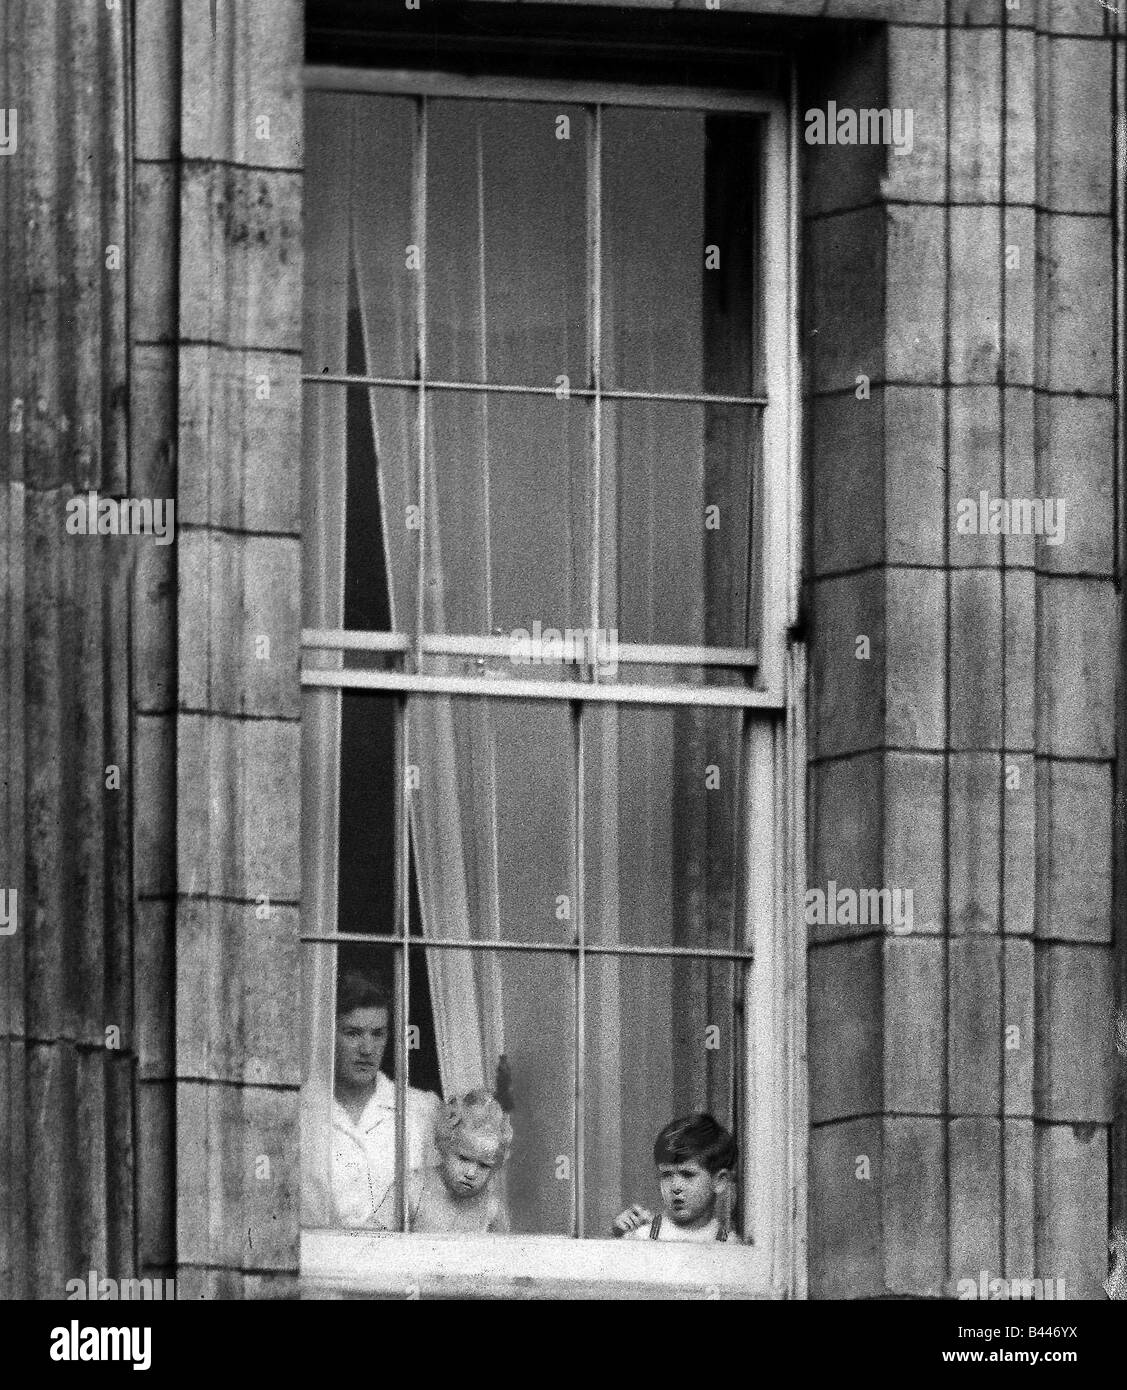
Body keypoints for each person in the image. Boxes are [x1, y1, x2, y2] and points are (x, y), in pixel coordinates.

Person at [302, 970, 440, 1228]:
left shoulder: (420, 1111)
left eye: (377, 1034)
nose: (367, 1049)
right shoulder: (300, 1110)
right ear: (328, 1036)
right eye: (353, 1033)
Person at [376, 1089, 512, 1233]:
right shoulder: (412, 1188)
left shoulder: (491, 1208)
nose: (471, 1173)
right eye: (463, 1158)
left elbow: (503, 1253)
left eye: (484, 1165)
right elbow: (373, 1239)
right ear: (445, 1145)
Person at [610, 1112, 741, 1243]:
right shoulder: (642, 1236)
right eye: (666, 1175)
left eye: (687, 1174)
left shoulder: (728, 1243)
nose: (675, 1187)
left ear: (719, 1181)